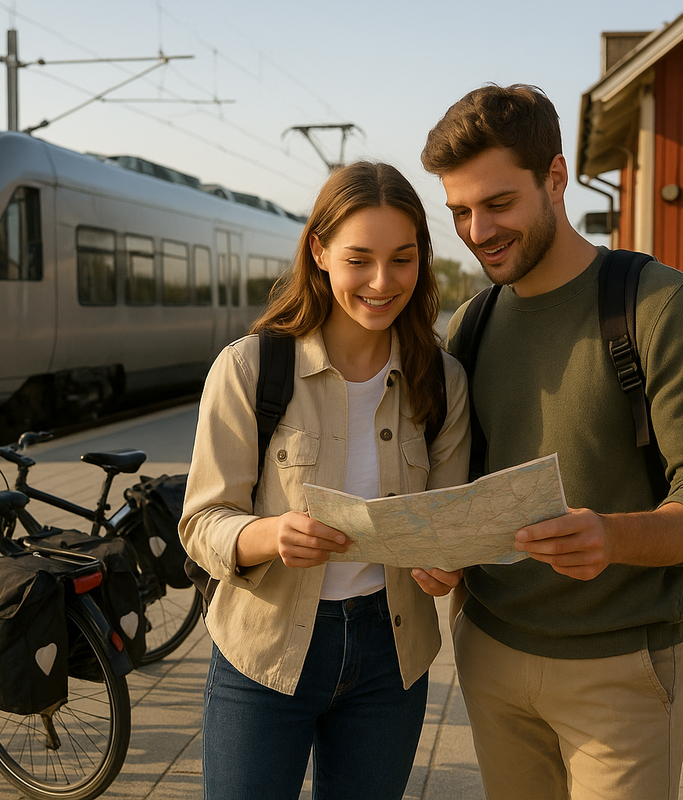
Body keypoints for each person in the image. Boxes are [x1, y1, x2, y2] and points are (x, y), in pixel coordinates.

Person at [416, 84, 683, 799]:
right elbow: (464, 486)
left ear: (555, 177)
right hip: (489, 653)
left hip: (621, 668)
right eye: (460, 212)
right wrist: (439, 549)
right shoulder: (472, 324)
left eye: (499, 203)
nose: (478, 230)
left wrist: (612, 535)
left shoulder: (662, 306)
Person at [179, 161, 470, 800]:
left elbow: (447, 529)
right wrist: (269, 535)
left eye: (402, 259)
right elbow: (201, 522)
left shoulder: (443, 382)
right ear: (319, 252)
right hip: (265, 649)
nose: (382, 282)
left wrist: (446, 566)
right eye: (359, 260)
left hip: (390, 655)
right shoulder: (249, 368)